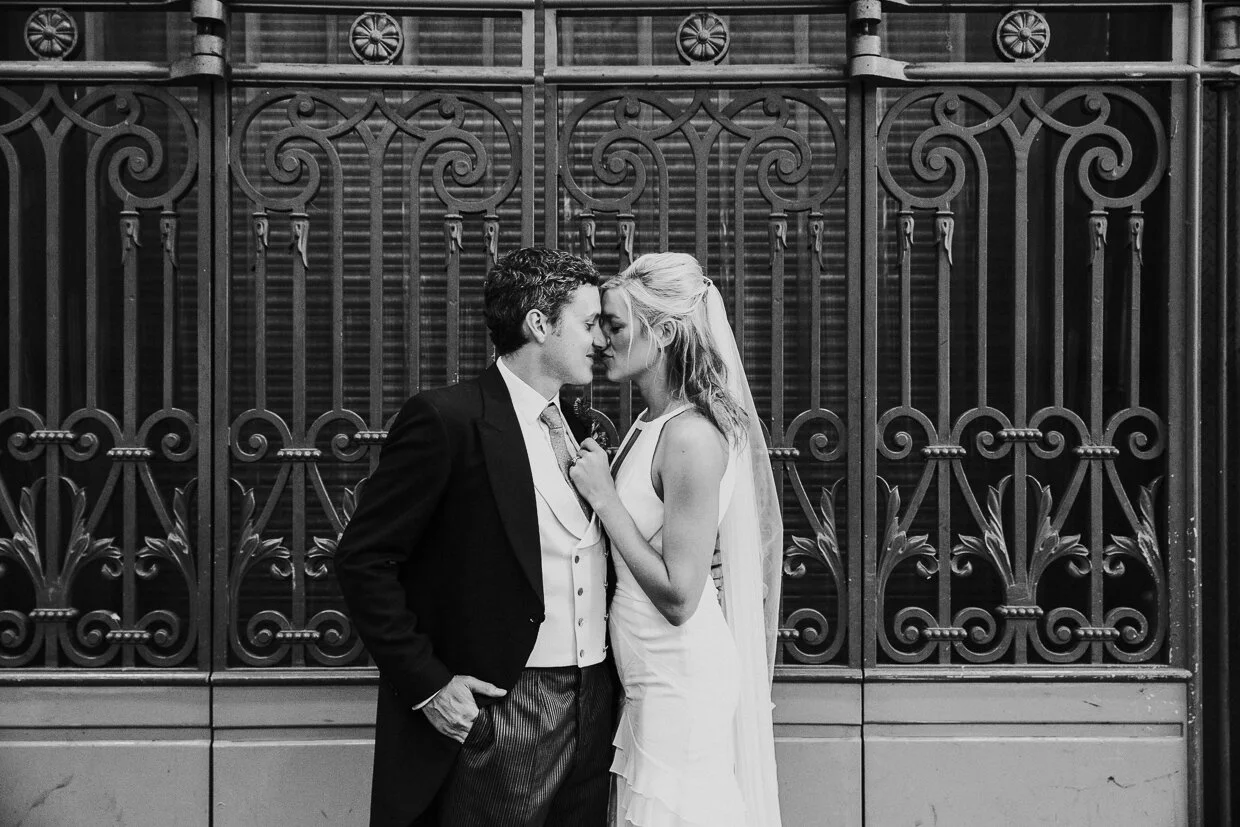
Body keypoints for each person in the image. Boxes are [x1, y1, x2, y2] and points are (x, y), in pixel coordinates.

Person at [334, 247, 615, 827]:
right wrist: (430, 685)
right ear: (539, 324)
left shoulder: (582, 430)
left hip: (594, 699)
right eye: (588, 324)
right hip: (500, 707)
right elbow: (364, 559)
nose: (602, 341)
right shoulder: (446, 420)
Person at [568, 252, 784, 827]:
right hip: (646, 675)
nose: (601, 341)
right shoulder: (648, 424)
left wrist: (605, 499)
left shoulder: (691, 436)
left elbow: (681, 597)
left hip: (679, 677)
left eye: (614, 326)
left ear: (662, 331)